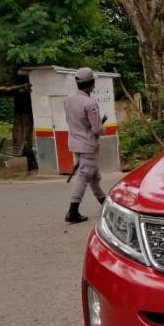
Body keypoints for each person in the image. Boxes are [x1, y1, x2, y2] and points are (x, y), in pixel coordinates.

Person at [64, 67, 107, 223]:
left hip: (75, 142)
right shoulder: (90, 103)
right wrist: (103, 128)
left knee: (93, 175)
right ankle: (72, 211)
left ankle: (105, 203)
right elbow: (96, 129)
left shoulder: (68, 100)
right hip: (88, 144)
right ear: (92, 83)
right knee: (84, 175)